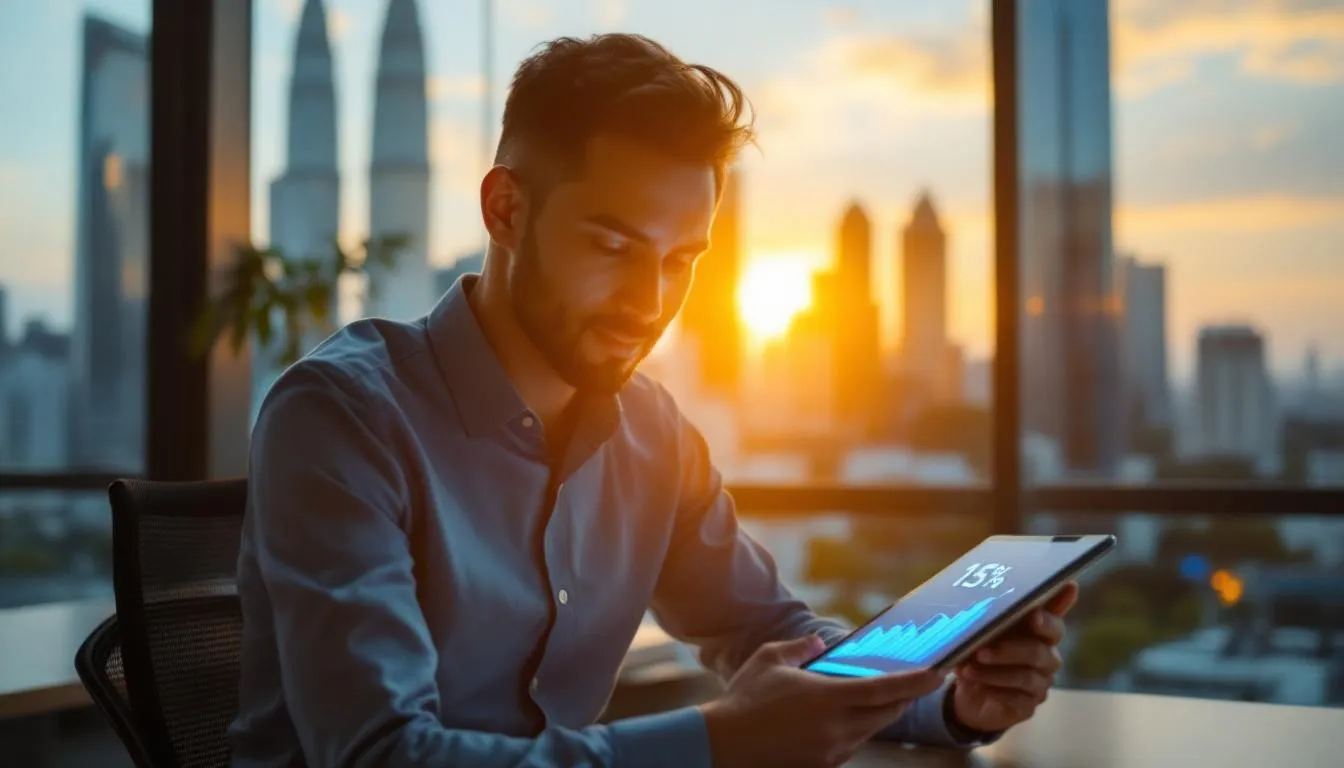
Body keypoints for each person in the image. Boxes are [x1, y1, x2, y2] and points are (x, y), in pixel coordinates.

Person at [230, 33, 1076, 768]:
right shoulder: (340, 419)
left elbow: (771, 636)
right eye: (613, 246)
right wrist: (720, 743)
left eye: (680, 261)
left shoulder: (652, 433)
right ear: (506, 210)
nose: (650, 301)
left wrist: (950, 698)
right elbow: (381, 756)